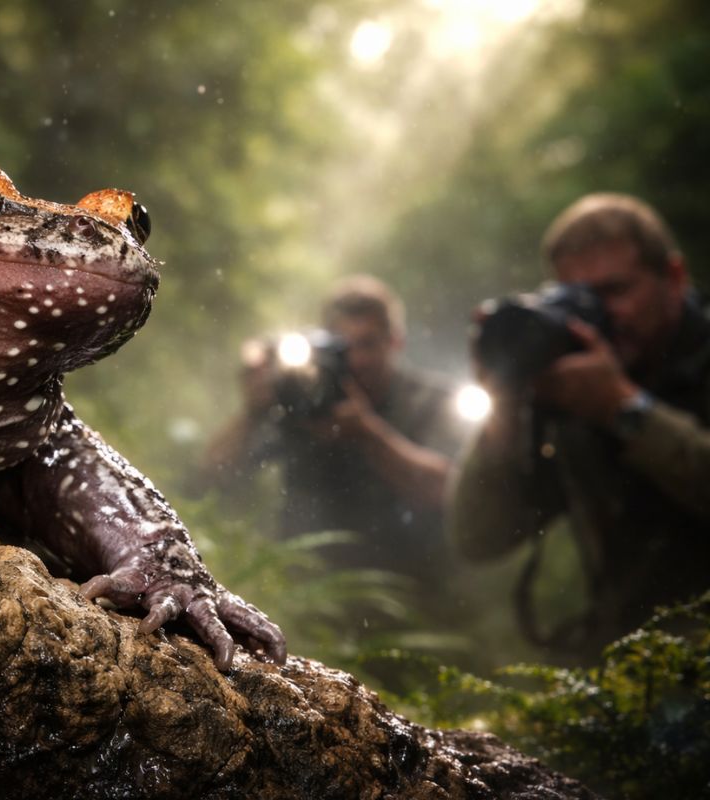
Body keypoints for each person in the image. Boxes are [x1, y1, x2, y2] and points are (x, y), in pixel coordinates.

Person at [448, 192, 710, 660]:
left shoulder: (607, 393)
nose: (601, 314)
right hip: (634, 666)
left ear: (673, 277)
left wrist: (626, 411)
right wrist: (505, 414)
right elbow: (478, 537)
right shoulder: (571, 394)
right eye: (579, 298)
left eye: (616, 291)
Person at [203, 275, 470, 585]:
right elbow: (212, 477)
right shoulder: (304, 398)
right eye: (343, 347)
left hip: (414, 591)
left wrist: (367, 433)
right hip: (305, 591)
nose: (356, 361)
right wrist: (251, 413)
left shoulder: (430, 401)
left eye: (368, 344)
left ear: (395, 341)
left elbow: (450, 492)